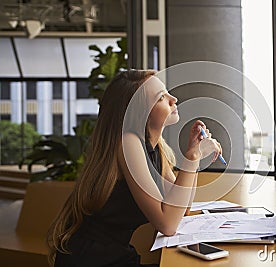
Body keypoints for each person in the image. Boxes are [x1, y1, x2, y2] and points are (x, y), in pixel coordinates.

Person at [48, 69, 223, 266]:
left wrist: (193, 155)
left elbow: (180, 210)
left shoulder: (157, 149)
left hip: (115, 254)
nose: (173, 99)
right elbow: (168, 224)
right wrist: (193, 157)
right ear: (141, 114)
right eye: (161, 98)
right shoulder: (128, 143)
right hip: (91, 259)